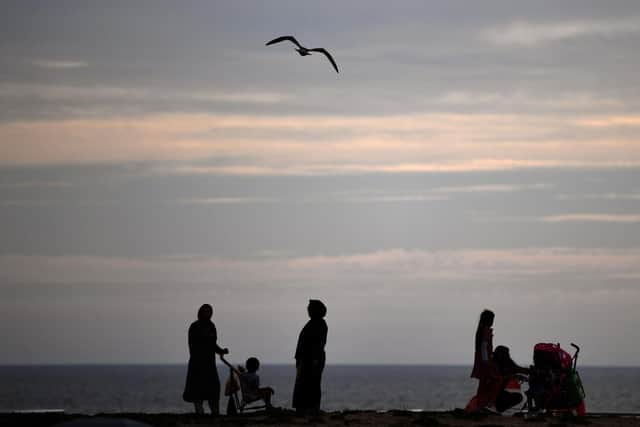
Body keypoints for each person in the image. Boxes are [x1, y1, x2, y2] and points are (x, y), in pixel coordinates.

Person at [183, 304, 229, 415]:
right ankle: (199, 413)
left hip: (209, 364)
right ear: (200, 312)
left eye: (210, 311)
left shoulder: (212, 326)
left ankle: (215, 413)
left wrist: (221, 351)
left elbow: (213, 344)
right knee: (197, 391)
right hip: (197, 364)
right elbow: (193, 346)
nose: (208, 313)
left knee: (213, 390)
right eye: (206, 311)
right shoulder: (194, 326)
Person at [292, 299, 328, 415]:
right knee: (303, 384)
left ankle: (312, 408)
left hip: (312, 359)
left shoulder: (320, 324)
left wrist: (315, 360)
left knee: (312, 384)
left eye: (310, 308)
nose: (307, 310)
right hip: (306, 359)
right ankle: (303, 407)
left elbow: (318, 344)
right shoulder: (312, 323)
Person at [465, 309, 495, 412]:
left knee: (483, 383)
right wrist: (487, 361)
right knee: (486, 383)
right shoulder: (485, 330)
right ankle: (480, 405)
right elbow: (484, 346)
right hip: (484, 360)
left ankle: (480, 404)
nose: (493, 321)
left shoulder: (481, 330)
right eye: (492, 319)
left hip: (482, 359)